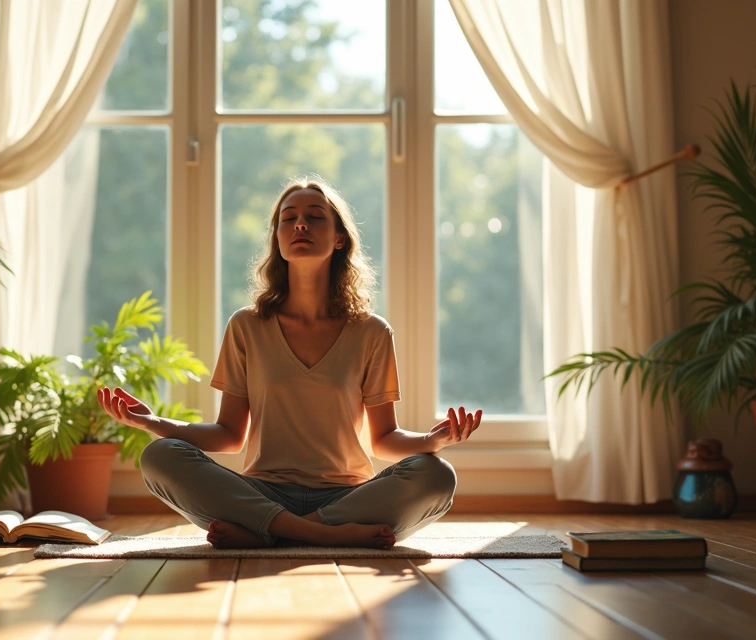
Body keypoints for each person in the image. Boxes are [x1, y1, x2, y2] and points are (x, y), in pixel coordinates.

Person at [97, 177, 481, 549]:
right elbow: (230, 435)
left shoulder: (372, 332)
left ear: (339, 238)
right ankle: (321, 534)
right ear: (278, 239)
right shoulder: (246, 325)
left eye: (315, 216)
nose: (299, 223)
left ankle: (272, 533)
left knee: (436, 476)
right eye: (287, 218)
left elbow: (383, 439)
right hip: (262, 491)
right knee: (160, 455)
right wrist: (152, 423)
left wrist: (433, 440)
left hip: (347, 497)